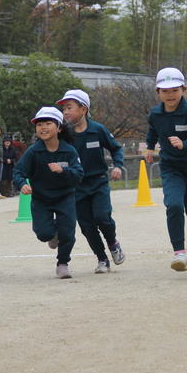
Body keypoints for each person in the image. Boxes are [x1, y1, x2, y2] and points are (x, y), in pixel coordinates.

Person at [145, 67, 187, 272]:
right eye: (165, 91)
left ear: (183, 90)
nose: (170, 95)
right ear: (158, 92)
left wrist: (184, 143)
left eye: (174, 90)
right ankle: (179, 253)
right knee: (173, 205)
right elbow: (153, 130)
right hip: (171, 166)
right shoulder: (156, 114)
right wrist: (149, 147)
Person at [57, 89, 126, 274]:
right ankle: (102, 259)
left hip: (98, 182)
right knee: (87, 226)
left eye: (69, 107)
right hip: (76, 186)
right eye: (64, 109)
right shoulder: (63, 133)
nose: (65, 112)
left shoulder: (97, 129)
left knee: (102, 217)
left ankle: (113, 243)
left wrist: (118, 166)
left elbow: (116, 148)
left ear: (83, 109)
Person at [13, 107, 84, 279]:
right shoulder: (33, 151)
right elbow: (18, 172)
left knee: (68, 232)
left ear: (59, 128)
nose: (43, 127)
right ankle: (53, 235)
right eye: (39, 124)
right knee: (43, 233)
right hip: (41, 199)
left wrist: (63, 170)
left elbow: (79, 174)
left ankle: (63, 263)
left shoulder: (69, 151)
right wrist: (22, 184)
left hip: (65, 197)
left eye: (48, 123)